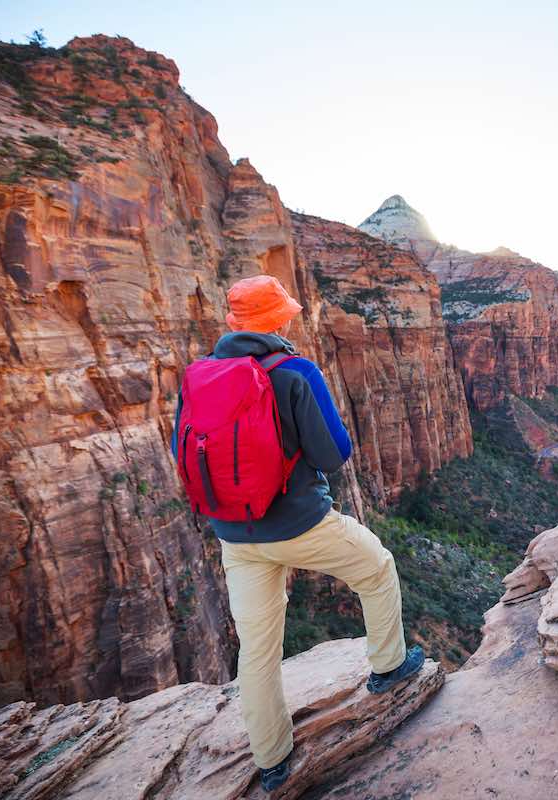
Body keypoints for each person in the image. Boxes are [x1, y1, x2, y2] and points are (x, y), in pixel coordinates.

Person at [171, 274, 424, 793]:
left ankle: (272, 761)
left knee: (258, 649)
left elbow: (187, 453)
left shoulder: (199, 376)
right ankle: (388, 668)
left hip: (235, 536)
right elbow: (333, 454)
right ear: (280, 320)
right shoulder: (296, 372)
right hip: (301, 524)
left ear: (234, 323)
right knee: (377, 570)